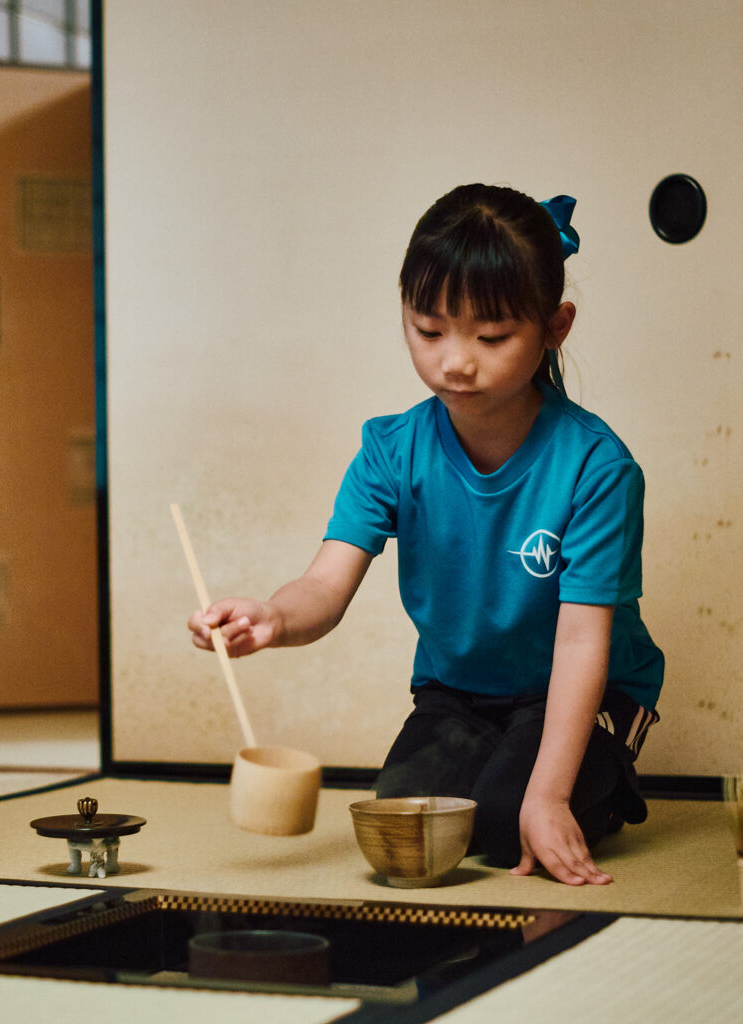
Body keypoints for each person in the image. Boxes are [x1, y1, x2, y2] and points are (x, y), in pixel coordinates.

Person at [188, 184, 664, 886]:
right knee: (404, 815)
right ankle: (515, 774)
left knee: (509, 820)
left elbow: (581, 640)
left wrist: (550, 796)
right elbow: (325, 583)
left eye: (492, 336)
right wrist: (271, 617)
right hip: (457, 693)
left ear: (554, 327)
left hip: (571, 693)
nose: (455, 361)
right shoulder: (391, 449)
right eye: (428, 329)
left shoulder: (596, 466)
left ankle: (601, 775)